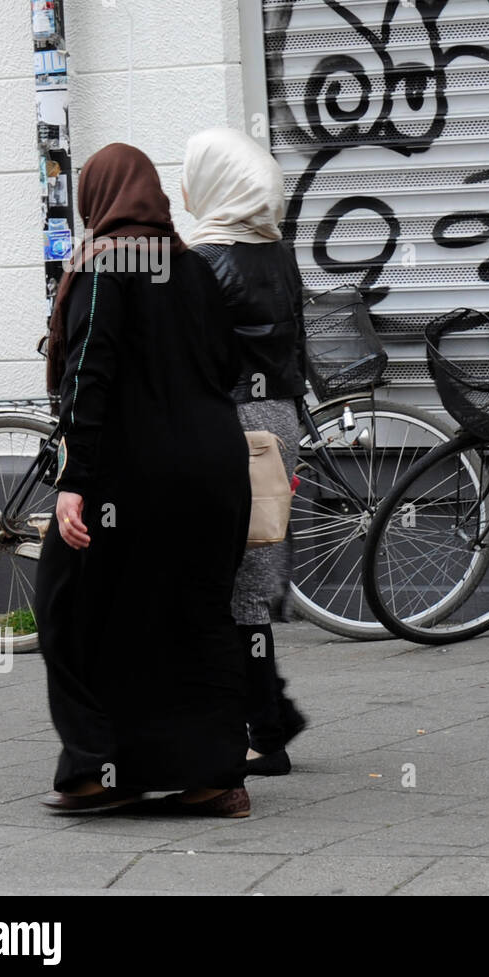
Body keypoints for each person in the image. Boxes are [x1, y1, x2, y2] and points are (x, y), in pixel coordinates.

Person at [35, 142, 252, 817]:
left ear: (97, 200)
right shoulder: (194, 268)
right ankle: (214, 776)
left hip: (133, 478)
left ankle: (95, 767)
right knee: (191, 614)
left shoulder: (104, 266)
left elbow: (88, 373)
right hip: (217, 470)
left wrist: (73, 477)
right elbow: (227, 364)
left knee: (66, 603)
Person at [181, 126, 308, 777]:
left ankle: (265, 727)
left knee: (228, 585)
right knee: (248, 582)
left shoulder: (201, 259)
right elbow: (296, 349)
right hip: (277, 420)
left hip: (229, 426)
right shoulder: (279, 253)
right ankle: (268, 715)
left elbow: (192, 359)